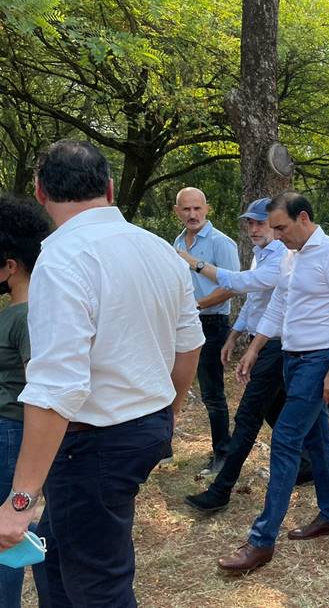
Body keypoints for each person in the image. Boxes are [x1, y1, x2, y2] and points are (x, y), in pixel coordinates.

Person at [0, 140, 204, 606]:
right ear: (110, 189)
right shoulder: (159, 250)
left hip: (93, 443)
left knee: (97, 586)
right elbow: (189, 345)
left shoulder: (61, 258)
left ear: (40, 192)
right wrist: (169, 413)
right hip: (143, 427)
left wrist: (20, 501)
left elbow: (56, 387)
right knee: (59, 557)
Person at [217, 192, 329, 574]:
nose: (277, 236)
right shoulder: (290, 257)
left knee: (285, 439)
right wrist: (254, 348)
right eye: (274, 229)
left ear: (304, 218)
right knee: (318, 439)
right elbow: (279, 305)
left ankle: (261, 541)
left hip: (318, 360)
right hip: (291, 358)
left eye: (281, 228)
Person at [182, 198, 311, 513]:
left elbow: (240, 284)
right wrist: (235, 335)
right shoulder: (260, 254)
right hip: (261, 341)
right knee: (275, 411)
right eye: (250, 223)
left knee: (248, 417)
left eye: (260, 222)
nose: (254, 229)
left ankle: (221, 489)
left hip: (275, 346)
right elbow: (254, 303)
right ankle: (307, 465)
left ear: (274, 224)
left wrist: (195, 263)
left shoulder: (280, 256)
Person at [0, 196, 50, 607]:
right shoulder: (14, 312)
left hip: (11, 432)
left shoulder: (27, 315)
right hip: (7, 430)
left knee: (6, 534)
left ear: (11, 266)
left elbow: (39, 384)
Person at [173, 187, 240, 476]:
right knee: (171, 385)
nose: (192, 214)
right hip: (183, 323)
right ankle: (162, 448)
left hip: (212, 323)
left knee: (212, 393)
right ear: (177, 212)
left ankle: (222, 454)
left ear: (207, 208)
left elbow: (232, 286)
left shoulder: (220, 242)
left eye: (197, 208)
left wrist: (197, 305)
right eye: (186, 209)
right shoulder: (177, 242)